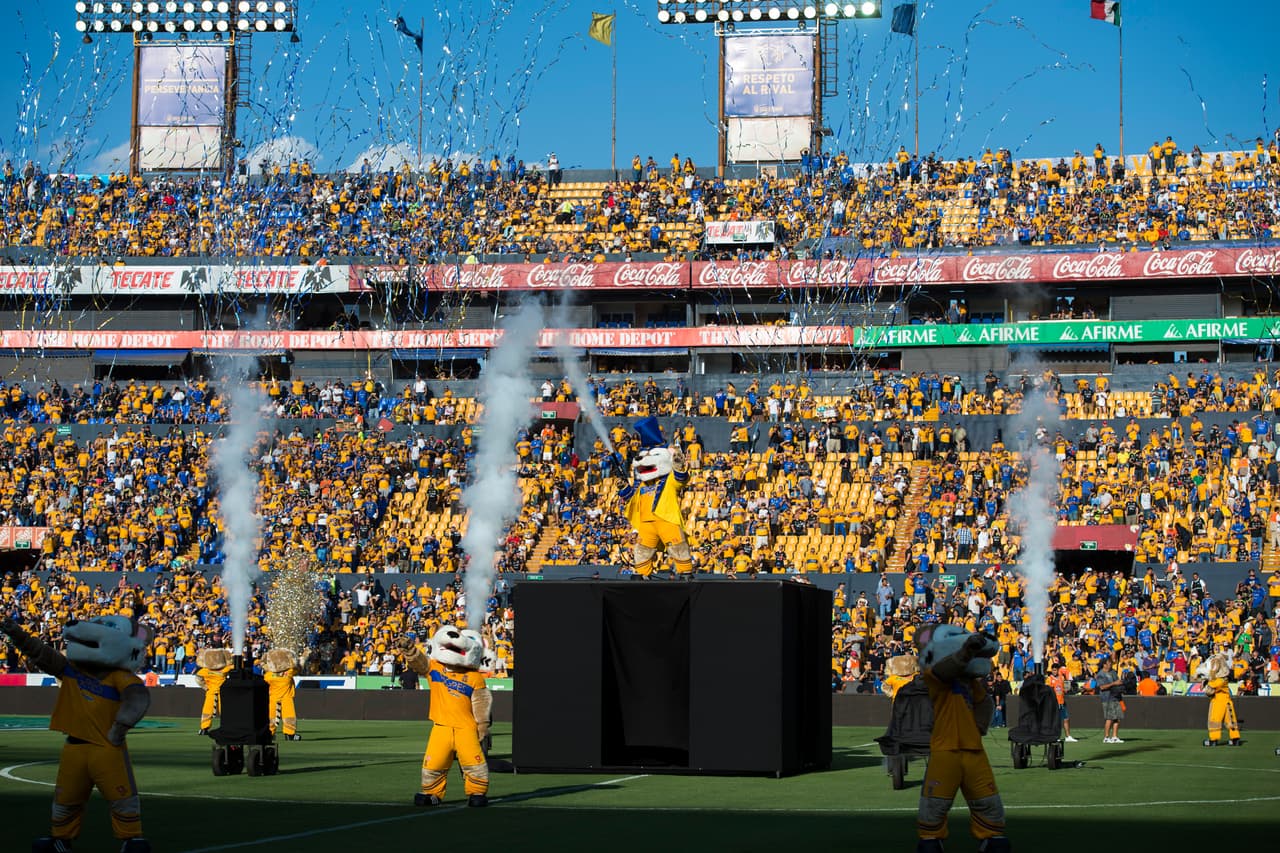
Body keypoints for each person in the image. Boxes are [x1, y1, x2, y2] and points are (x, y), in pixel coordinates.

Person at [1096, 657, 1125, 743]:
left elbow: (1117, 682)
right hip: (1107, 698)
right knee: (1109, 718)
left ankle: (1115, 736)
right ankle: (1106, 737)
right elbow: (1102, 687)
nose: (1110, 664)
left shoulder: (1113, 672)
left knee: (1117, 718)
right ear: (1104, 664)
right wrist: (1114, 683)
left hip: (1116, 696)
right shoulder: (1100, 674)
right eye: (1108, 663)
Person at [1045, 667, 1078, 742]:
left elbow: (1065, 688)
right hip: (1054, 702)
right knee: (1056, 720)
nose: (1054, 672)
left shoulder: (1062, 678)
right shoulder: (1049, 679)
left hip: (1062, 702)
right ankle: (1056, 736)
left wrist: (1067, 688)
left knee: (1066, 719)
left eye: (1055, 670)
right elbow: (1047, 690)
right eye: (1053, 670)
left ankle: (1068, 736)